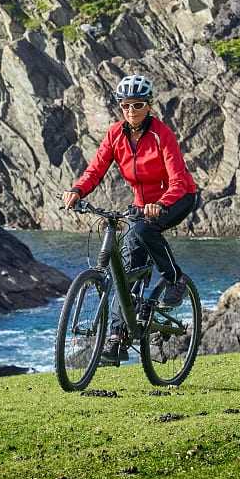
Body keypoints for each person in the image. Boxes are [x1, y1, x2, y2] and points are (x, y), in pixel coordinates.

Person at [62, 74, 198, 359]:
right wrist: (78, 190)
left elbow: (177, 180)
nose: (131, 111)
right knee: (125, 269)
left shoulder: (162, 134)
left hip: (178, 197)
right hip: (143, 204)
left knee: (143, 232)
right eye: (125, 106)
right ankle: (116, 337)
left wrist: (160, 203)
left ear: (149, 105)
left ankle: (175, 280)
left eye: (138, 105)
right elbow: (96, 169)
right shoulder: (115, 134)